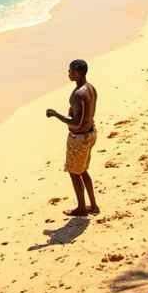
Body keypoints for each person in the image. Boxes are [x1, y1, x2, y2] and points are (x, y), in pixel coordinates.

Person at [46, 59, 99, 217]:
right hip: (91, 133)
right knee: (83, 170)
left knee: (74, 172)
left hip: (80, 138)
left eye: (70, 71)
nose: (68, 73)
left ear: (78, 73)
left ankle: (82, 208)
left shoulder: (79, 94)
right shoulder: (91, 88)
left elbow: (77, 122)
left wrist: (55, 114)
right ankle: (93, 205)